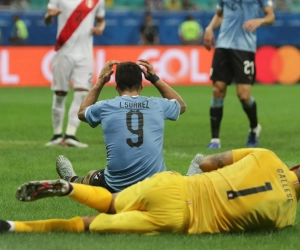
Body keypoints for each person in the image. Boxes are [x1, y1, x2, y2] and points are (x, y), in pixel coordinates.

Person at [1, 148, 300, 234]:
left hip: (173, 184)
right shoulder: (287, 216)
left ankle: (70, 187)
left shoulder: (267, 156)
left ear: (296, 166)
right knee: (90, 226)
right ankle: (14, 228)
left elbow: (208, 161)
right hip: (184, 219)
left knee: (110, 201)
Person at [55, 59, 186, 192]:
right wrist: (154, 78)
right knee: (171, 175)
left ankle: (71, 180)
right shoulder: (158, 105)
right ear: (141, 86)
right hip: (153, 186)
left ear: (117, 87)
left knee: (91, 175)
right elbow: (181, 105)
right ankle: (191, 181)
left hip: (116, 186)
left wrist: (100, 81)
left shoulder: (105, 107)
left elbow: (82, 112)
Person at [203, 0, 275, 149]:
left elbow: (271, 17)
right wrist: (209, 28)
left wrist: (260, 20)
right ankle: (215, 139)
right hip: (223, 46)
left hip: (244, 48)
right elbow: (219, 15)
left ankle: (254, 128)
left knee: (243, 95)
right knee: (218, 89)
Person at [44, 0, 106, 148]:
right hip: (63, 52)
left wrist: (100, 28)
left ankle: (71, 134)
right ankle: (57, 135)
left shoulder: (97, 1)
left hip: (85, 54)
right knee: (60, 94)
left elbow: (101, 21)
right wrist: (49, 16)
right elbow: (47, 20)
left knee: (82, 94)